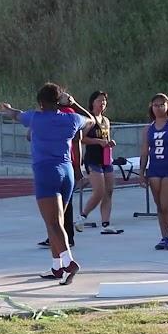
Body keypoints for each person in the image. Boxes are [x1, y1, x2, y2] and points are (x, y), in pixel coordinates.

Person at [0, 82, 94, 285]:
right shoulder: (72, 118)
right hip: (66, 172)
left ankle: (69, 262)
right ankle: (57, 267)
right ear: (59, 101)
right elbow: (92, 121)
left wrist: (7, 109)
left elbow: (17, 114)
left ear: (40, 103)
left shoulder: (36, 118)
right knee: (55, 223)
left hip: (46, 171)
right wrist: (74, 104)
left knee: (53, 223)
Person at [138, 93, 168, 250]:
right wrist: (141, 172)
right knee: (159, 207)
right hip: (154, 170)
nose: (158, 108)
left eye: (161, 105)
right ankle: (164, 237)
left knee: (167, 206)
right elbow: (145, 151)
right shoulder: (148, 129)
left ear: (167, 106)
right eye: (155, 105)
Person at [74, 90, 123, 234]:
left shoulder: (106, 120)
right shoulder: (89, 119)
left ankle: (106, 223)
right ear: (92, 102)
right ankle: (82, 217)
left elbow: (105, 138)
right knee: (99, 191)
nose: (102, 103)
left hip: (106, 159)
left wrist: (109, 143)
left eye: (104, 101)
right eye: (99, 100)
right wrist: (98, 142)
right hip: (93, 159)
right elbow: (81, 139)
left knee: (109, 191)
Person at [36, 105, 84, 248]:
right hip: (66, 166)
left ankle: (62, 239)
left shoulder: (67, 114)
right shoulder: (69, 115)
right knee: (62, 206)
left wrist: (78, 166)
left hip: (54, 166)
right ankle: (62, 238)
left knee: (57, 208)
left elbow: (77, 141)